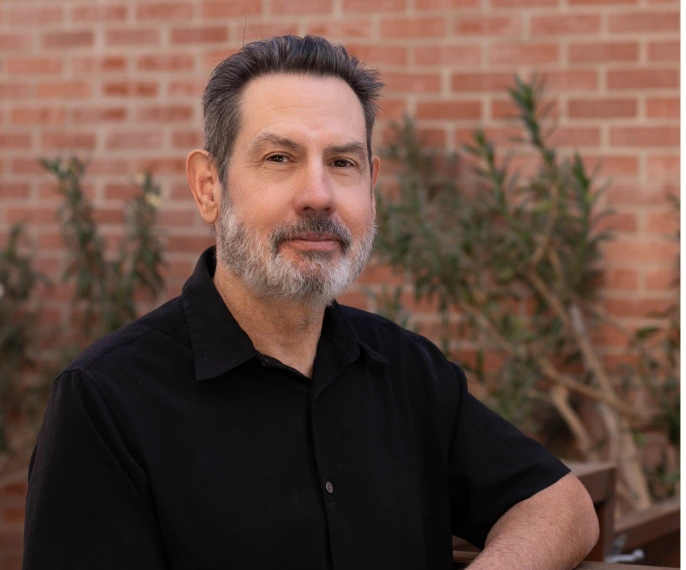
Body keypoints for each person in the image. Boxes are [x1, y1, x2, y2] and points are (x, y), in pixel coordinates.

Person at [22, 35, 598, 570]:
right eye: (279, 158)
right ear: (208, 187)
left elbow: (560, 505)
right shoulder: (106, 400)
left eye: (342, 163)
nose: (318, 195)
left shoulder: (409, 372)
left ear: (371, 185)